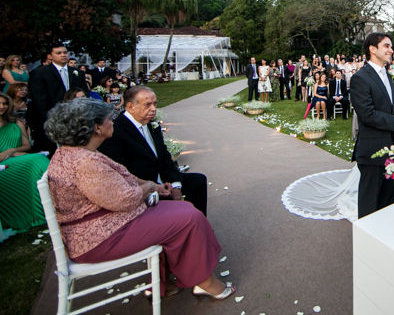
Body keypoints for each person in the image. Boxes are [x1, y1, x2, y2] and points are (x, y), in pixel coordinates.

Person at [44, 99, 234, 300]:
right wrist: (150, 187)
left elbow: (122, 176)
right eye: (110, 119)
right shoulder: (85, 162)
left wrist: (154, 186)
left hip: (103, 225)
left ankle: (165, 283)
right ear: (96, 128)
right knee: (189, 218)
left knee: (180, 211)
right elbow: (124, 200)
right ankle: (204, 282)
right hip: (97, 238)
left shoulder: (76, 153)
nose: (114, 122)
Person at [99, 86, 208, 215]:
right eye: (147, 105)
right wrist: (154, 188)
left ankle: (199, 225)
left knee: (198, 181)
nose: (153, 109)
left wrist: (176, 185)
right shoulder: (115, 131)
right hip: (143, 189)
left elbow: (165, 158)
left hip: (164, 180)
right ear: (130, 106)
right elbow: (121, 173)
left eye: (155, 104)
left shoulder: (151, 125)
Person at [350, 33, 394, 218]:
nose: (391, 50)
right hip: (372, 152)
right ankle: (366, 245)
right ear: (372, 49)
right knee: (370, 207)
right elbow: (367, 114)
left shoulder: (392, 77)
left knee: (388, 204)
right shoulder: (360, 78)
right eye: (386, 46)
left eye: (391, 46)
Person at [0, 91, 49, 232]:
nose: (2, 106)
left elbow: (27, 146)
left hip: (17, 158)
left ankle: (48, 209)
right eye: (0, 103)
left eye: (4, 103)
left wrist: (10, 151)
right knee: (38, 160)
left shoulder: (16, 123)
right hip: (3, 166)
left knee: (39, 160)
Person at [28, 43, 87, 155]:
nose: (63, 55)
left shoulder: (77, 73)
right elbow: (39, 99)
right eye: (59, 53)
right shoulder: (40, 73)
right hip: (51, 118)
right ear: (50, 56)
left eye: (65, 52)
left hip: (75, 118)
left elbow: (84, 94)